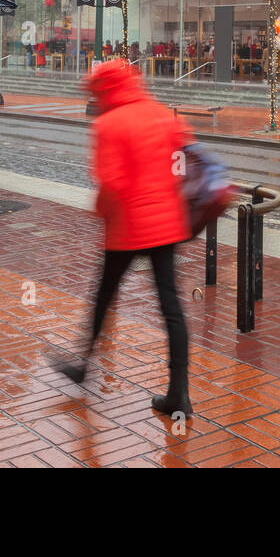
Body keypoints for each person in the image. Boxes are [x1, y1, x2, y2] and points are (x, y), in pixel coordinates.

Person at [54, 59, 194, 416]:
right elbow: (181, 162)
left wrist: (100, 211)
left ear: (105, 90)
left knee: (104, 294)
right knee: (171, 306)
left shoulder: (108, 124)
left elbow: (112, 183)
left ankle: (83, 365)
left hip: (128, 225)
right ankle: (179, 392)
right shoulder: (163, 114)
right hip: (167, 223)